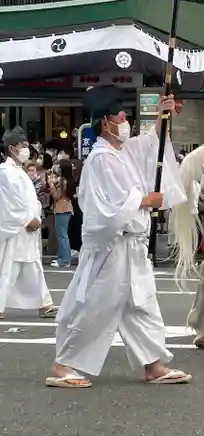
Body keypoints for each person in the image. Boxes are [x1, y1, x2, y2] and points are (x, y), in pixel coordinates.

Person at [47, 85, 191, 389]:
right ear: (105, 122)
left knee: (141, 304)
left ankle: (153, 365)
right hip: (113, 246)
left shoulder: (121, 153)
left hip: (131, 247)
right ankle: (63, 365)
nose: (125, 119)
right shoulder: (101, 158)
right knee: (97, 305)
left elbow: (150, 145)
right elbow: (108, 207)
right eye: (119, 114)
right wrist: (144, 200)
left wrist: (162, 118)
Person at [0, 127, 57, 320]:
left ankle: (44, 304)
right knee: (8, 267)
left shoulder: (18, 172)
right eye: (22, 145)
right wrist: (26, 219)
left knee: (32, 266)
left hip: (28, 229)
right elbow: (7, 204)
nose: (25, 149)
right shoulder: (5, 172)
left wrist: (35, 219)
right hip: (16, 229)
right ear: (11, 148)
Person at [47, 159, 76, 268]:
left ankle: (65, 260)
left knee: (62, 236)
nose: (57, 168)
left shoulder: (63, 181)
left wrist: (51, 184)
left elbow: (56, 196)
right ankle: (62, 258)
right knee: (62, 235)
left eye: (59, 166)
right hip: (65, 209)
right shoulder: (65, 180)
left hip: (62, 209)